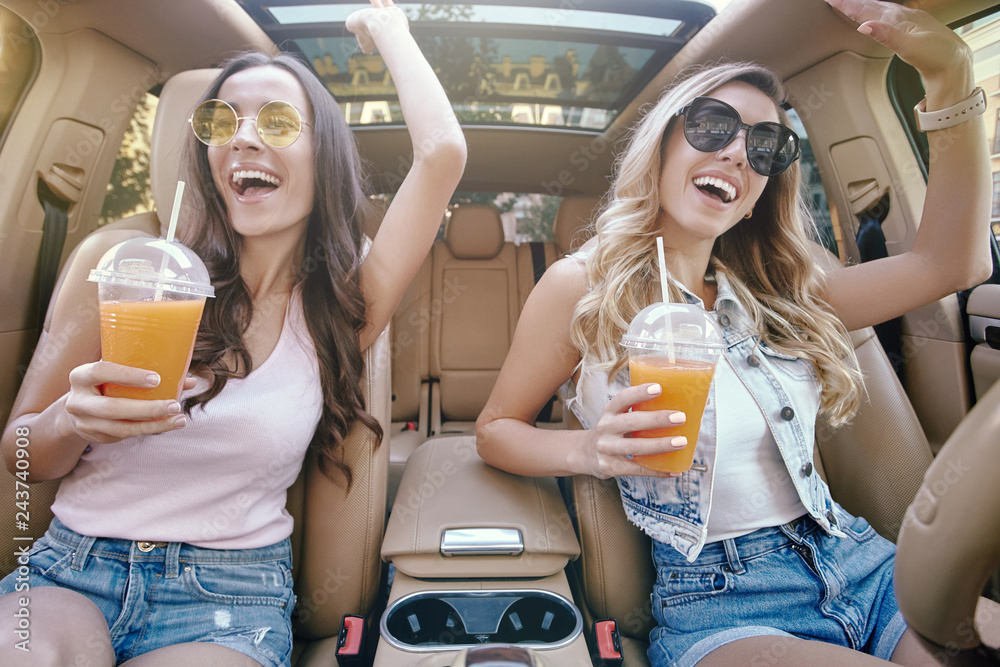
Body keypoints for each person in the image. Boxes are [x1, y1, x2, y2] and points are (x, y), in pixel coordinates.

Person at [476, 0, 996, 665]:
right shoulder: (583, 285)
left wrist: (950, 76)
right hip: (724, 598)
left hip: (862, 564)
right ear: (665, 140)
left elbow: (954, 261)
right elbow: (495, 429)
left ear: (760, 191)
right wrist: (590, 450)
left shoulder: (782, 291)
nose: (735, 152)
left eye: (765, 146)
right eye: (712, 124)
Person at [0, 0, 466, 664]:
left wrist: (390, 30)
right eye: (221, 120)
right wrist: (71, 421)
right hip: (70, 569)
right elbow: (19, 459)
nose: (242, 137)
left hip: (227, 595)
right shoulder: (126, 273)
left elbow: (443, 154)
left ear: (323, 155)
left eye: (276, 121)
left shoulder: (343, 304)